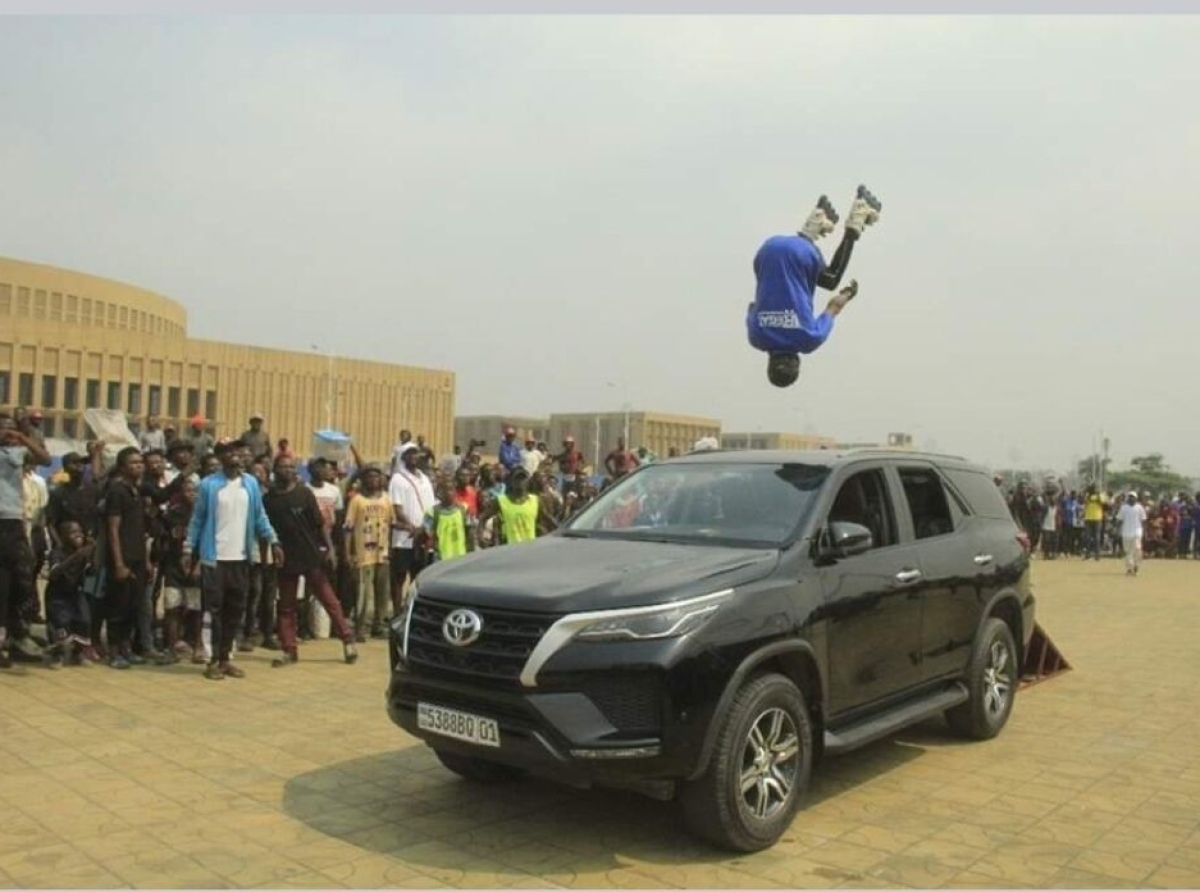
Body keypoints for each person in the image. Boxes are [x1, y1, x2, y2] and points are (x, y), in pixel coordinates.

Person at [746, 186, 881, 387]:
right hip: (767, 251)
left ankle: (857, 218)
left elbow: (833, 307)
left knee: (831, 279)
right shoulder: (756, 338)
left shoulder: (808, 340)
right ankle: (813, 224)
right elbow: (752, 306)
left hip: (801, 256)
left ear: (797, 364)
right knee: (785, 272)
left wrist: (848, 294)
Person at [184, 439, 281, 680]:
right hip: (214, 558)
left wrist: (274, 541)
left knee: (235, 610)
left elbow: (260, 517)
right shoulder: (209, 485)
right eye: (228, 452)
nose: (234, 455)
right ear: (220, 457)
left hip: (241, 558)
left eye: (237, 450)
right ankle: (213, 659)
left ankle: (226, 658)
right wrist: (188, 550)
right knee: (214, 611)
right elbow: (197, 520)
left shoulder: (250, 484)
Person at [263, 454, 357, 668]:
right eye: (282, 467)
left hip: (310, 556)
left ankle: (347, 641)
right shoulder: (269, 499)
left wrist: (330, 549)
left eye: (290, 467)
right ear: (275, 470)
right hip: (286, 559)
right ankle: (289, 650)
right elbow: (265, 529)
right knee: (286, 607)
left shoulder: (303, 494)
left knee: (329, 601)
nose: (286, 470)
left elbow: (320, 524)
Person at [0, 414, 51, 668]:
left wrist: (23, 438)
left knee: (22, 579)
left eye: (11, 428)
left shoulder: (17, 453)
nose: (7, 432)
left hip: (14, 522)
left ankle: (17, 634)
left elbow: (45, 459)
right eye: (3, 428)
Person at [104, 446, 154, 669]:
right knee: (118, 607)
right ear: (123, 467)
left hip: (138, 557)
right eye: (133, 463)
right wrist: (119, 563)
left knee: (133, 606)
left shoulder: (137, 491)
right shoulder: (117, 491)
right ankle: (113, 652)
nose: (139, 466)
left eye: (140, 462)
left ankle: (126, 648)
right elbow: (113, 529)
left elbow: (140, 529)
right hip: (122, 558)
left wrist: (146, 561)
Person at [343, 463, 392, 640]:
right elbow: (348, 528)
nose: (373, 479)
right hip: (363, 553)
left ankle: (379, 625)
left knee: (382, 593)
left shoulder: (386, 499)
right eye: (369, 476)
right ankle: (361, 628)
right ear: (363, 480)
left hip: (383, 553)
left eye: (376, 476)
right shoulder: (357, 500)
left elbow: (391, 524)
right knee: (363, 593)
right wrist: (348, 553)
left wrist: (391, 548)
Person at [388, 444, 434, 616]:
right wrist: (411, 526)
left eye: (416, 453)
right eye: (410, 454)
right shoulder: (398, 479)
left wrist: (426, 529)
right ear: (403, 457)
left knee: (419, 577)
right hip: (404, 537)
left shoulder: (425, 478)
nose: (415, 456)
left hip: (424, 536)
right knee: (399, 578)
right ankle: (397, 612)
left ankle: (413, 611)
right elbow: (397, 508)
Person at [43, 521, 95, 668]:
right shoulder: (57, 552)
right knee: (61, 622)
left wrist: (92, 559)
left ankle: (77, 653)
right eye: (73, 532)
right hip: (57, 595)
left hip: (75, 593)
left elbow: (91, 580)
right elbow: (53, 574)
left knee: (84, 619)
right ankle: (56, 655)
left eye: (80, 531)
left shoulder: (84, 554)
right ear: (64, 536)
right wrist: (77, 556)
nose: (79, 535)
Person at [480, 467, 556, 545]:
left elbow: (548, 518)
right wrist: (480, 537)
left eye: (523, 479)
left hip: (530, 547)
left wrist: (560, 533)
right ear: (512, 482)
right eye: (517, 479)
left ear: (528, 482)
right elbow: (483, 518)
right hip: (508, 548)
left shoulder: (535, 500)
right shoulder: (501, 501)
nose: (520, 482)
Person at [422, 482, 475, 563]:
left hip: (461, 557)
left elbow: (470, 534)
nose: (448, 492)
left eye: (450, 489)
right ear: (439, 493)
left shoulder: (464, 509)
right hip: (440, 559)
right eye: (444, 490)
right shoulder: (432, 513)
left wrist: (472, 555)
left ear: (455, 492)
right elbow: (428, 537)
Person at [1116, 492, 1147, 576]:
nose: (1131, 498)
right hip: (1126, 532)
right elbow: (1119, 520)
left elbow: (1143, 520)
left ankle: (1136, 566)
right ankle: (1130, 568)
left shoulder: (1139, 507)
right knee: (1128, 551)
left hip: (1137, 531)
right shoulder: (1123, 508)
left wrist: (1145, 531)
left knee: (1137, 549)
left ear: (1136, 498)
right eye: (1130, 497)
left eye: (1133, 497)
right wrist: (1117, 530)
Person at [1082, 484, 1105, 561]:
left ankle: (1097, 555)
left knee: (1097, 538)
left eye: (1095, 488)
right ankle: (1088, 554)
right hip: (1088, 518)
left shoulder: (1100, 495)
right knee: (1087, 537)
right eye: (1093, 488)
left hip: (1097, 518)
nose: (1094, 489)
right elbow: (1084, 502)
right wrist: (1086, 491)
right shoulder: (1087, 496)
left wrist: (1098, 496)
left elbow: (1103, 503)